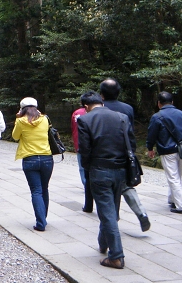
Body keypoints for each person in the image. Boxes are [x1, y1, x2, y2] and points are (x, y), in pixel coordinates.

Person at [78, 91, 133, 270]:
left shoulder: (85, 120)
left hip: (100, 170)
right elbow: (131, 143)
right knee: (111, 209)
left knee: (107, 211)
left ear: (86, 106)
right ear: (101, 102)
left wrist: (88, 169)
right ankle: (103, 243)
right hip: (121, 170)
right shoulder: (122, 117)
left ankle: (116, 256)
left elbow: (84, 150)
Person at [100, 79, 150, 232]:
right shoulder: (127, 108)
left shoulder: (99, 109)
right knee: (126, 184)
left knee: (108, 188)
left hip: (104, 154)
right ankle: (141, 212)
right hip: (125, 152)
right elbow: (130, 131)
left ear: (101, 94)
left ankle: (113, 219)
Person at [147, 91, 182, 214]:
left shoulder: (157, 116)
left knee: (173, 178)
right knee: (177, 176)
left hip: (167, 150)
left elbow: (152, 134)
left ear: (159, 103)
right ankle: (172, 199)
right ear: (172, 102)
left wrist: (150, 148)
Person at [11, 97, 53, 232]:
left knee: (36, 190)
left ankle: (41, 222)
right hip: (47, 158)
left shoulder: (21, 121)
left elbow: (15, 136)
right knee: (44, 188)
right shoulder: (45, 119)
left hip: (30, 159)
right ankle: (43, 218)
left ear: (22, 109)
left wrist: (17, 118)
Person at [71, 103, 89, 210]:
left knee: (82, 166)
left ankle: (86, 184)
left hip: (80, 143)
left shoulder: (77, 113)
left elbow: (74, 129)